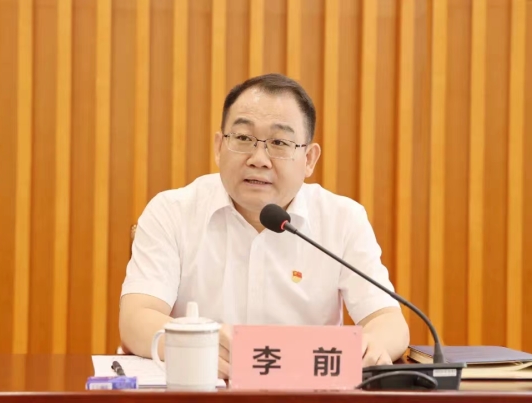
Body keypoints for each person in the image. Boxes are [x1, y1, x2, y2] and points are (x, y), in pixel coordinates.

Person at [119, 73, 409, 379]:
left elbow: (388, 321)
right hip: (202, 391)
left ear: (309, 159)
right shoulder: (172, 212)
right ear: (219, 146)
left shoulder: (342, 219)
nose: (259, 159)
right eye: (243, 138)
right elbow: (137, 318)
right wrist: (196, 344)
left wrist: (373, 345)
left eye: (279, 143)